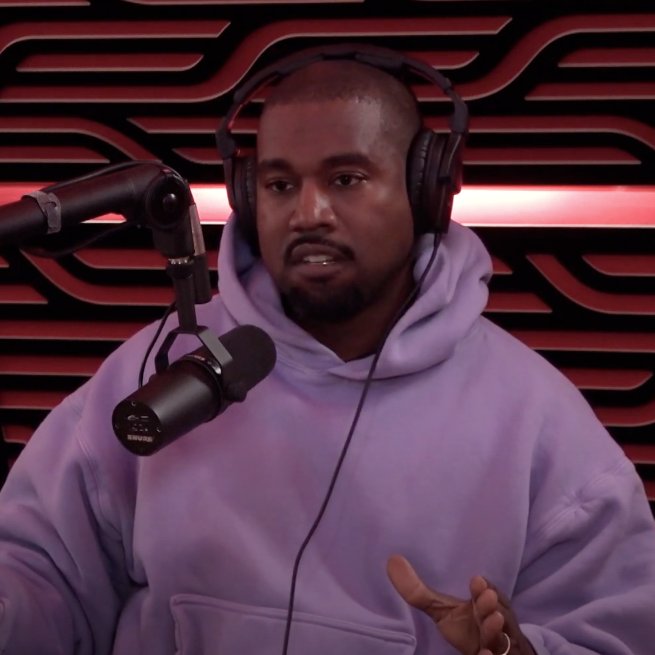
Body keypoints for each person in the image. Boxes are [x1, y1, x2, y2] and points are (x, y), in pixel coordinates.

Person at [0, 43, 653, 655]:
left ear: (426, 191)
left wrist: (521, 649)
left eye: (345, 178)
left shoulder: (537, 420)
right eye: (280, 185)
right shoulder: (160, 374)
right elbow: (39, 571)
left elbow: (617, 630)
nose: (308, 212)